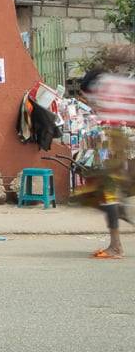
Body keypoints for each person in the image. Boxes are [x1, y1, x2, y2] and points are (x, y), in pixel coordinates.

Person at [79, 67, 135, 259]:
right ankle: (121, 220)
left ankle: (116, 246)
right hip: (121, 148)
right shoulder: (119, 87)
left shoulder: (105, 90)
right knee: (108, 196)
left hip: (118, 147)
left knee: (108, 196)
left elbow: (113, 127)